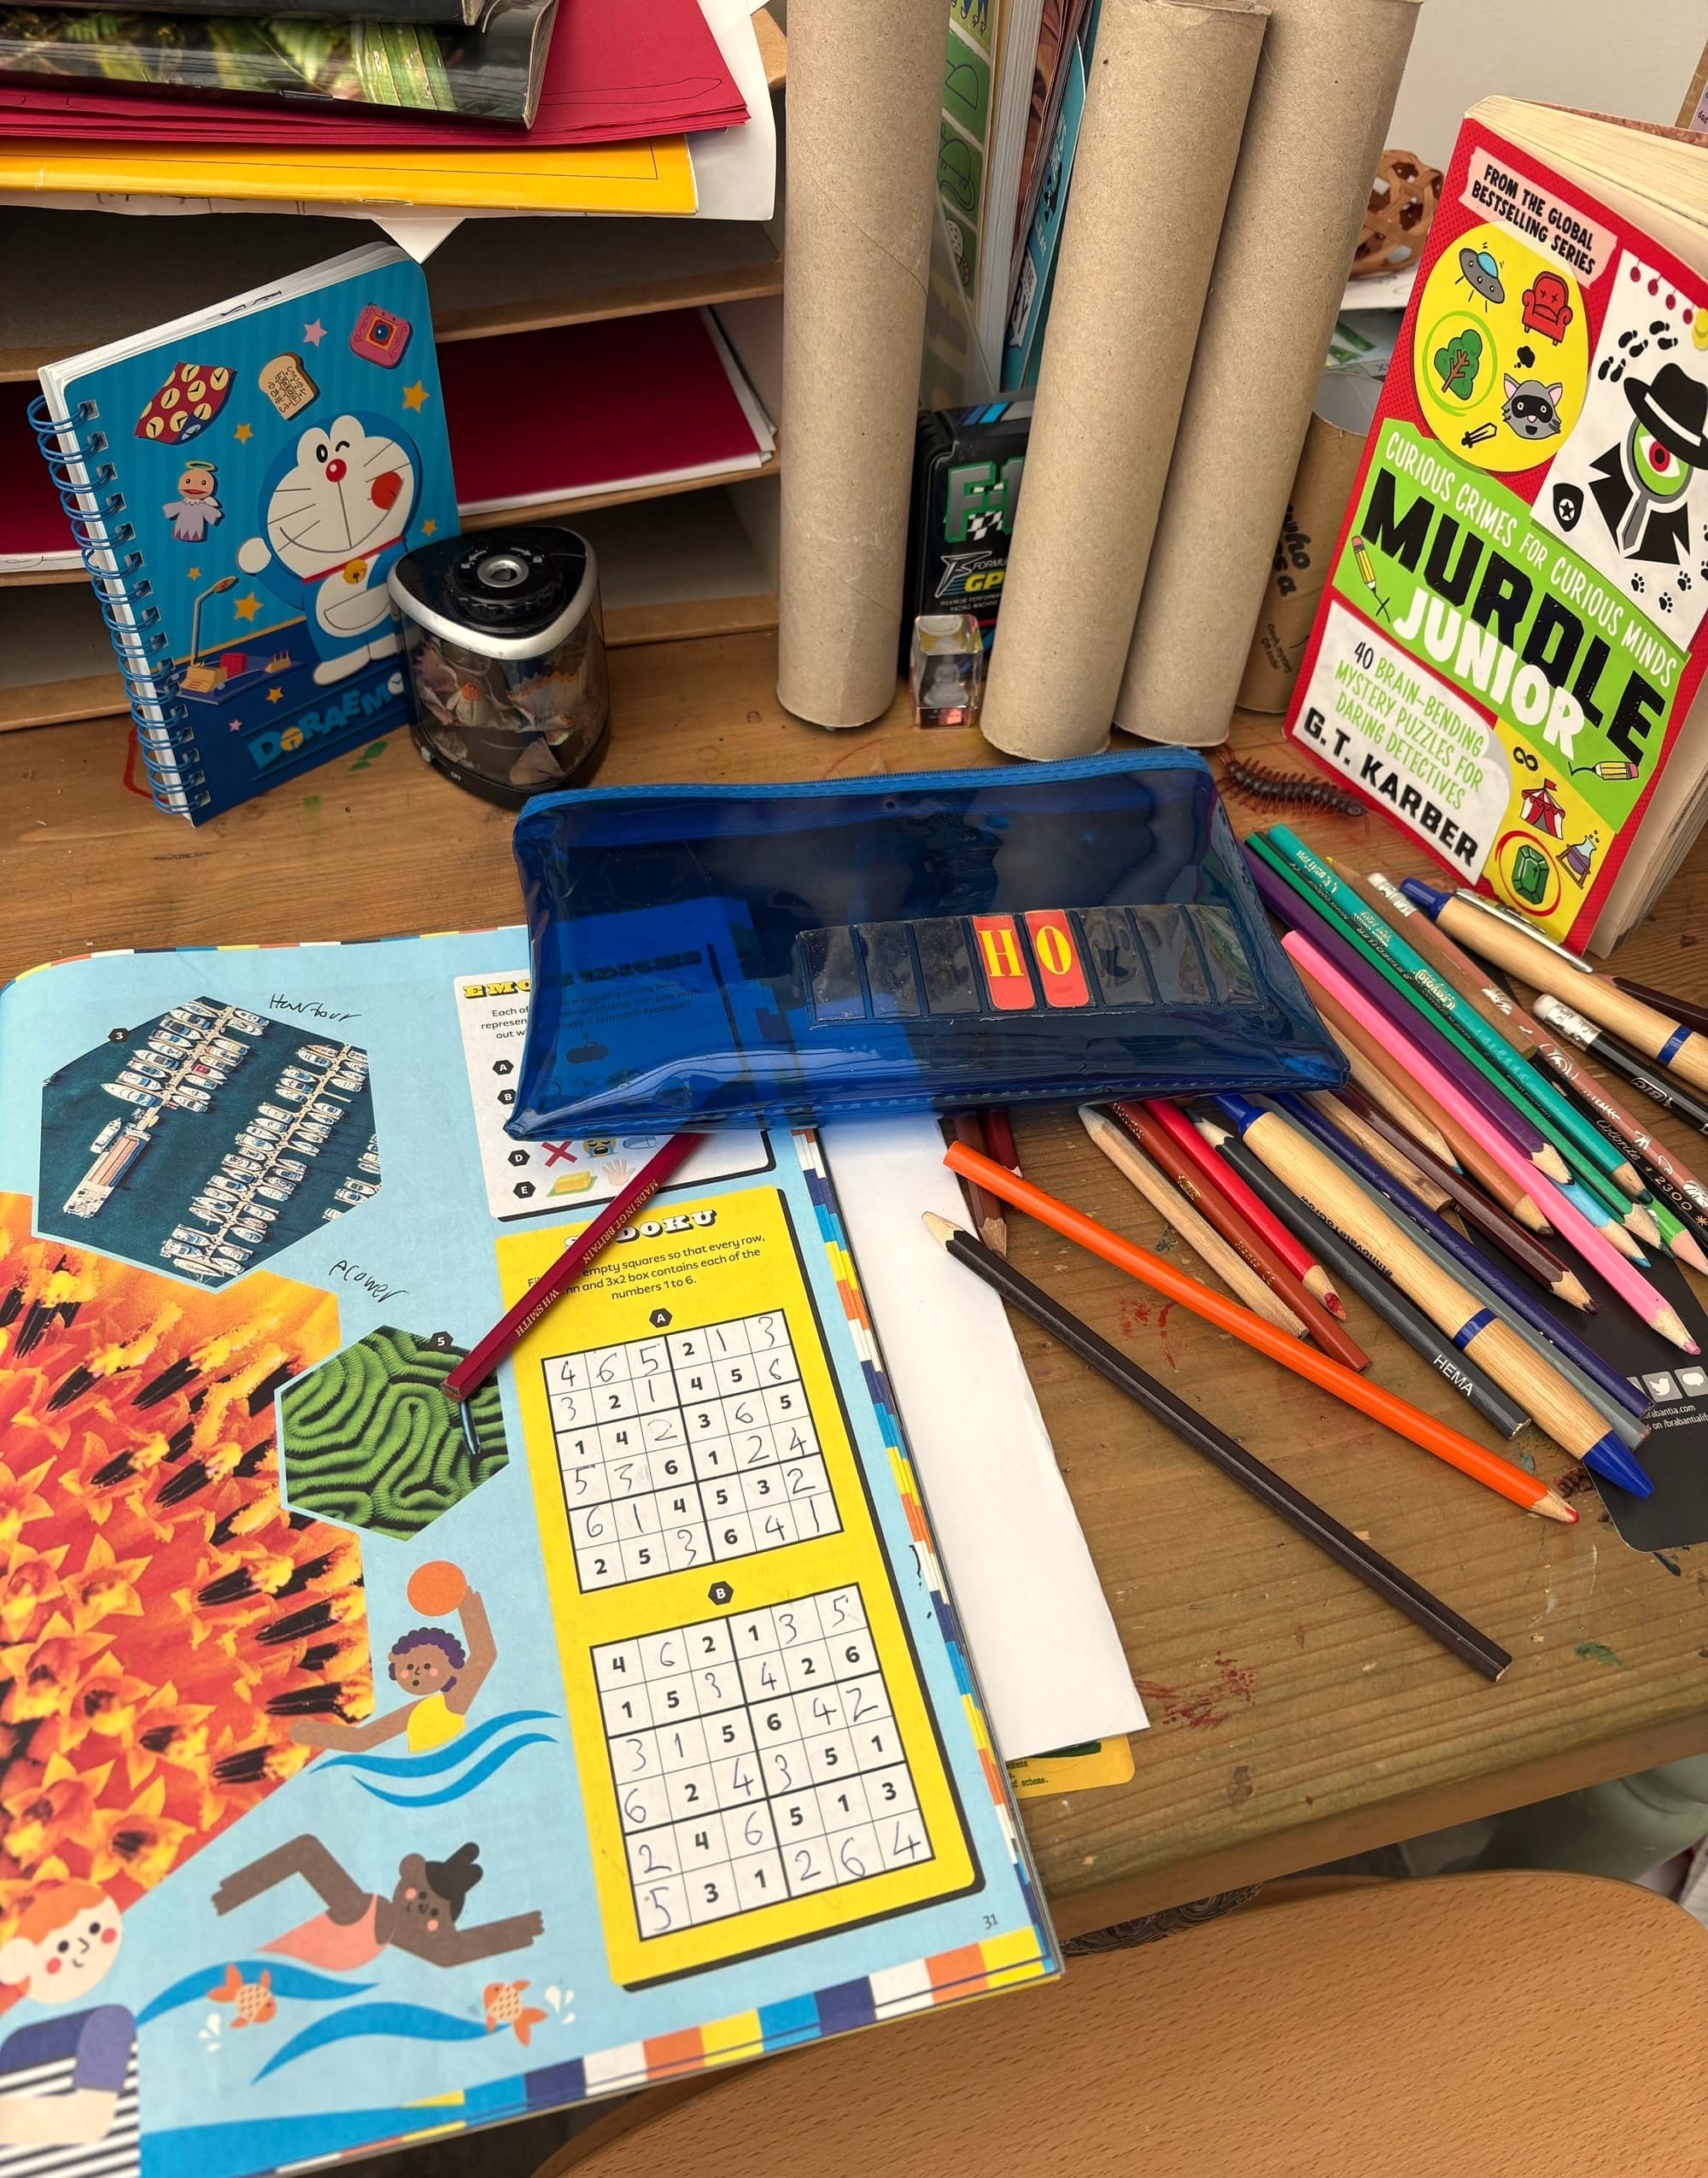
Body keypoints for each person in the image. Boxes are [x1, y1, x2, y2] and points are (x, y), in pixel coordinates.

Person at [212, 1836, 541, 1971]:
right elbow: (306, 1852)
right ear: (408, 1874)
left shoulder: (400, 1936)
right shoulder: (366, 1910)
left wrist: (526, 1929)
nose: (419, 1907)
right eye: (420, 1896)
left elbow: (449, 1952)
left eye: (432, 1914)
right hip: (258, 1963)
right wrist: (225, 1896)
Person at [0, 1883, 137, 2158]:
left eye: (95, 1930)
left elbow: (90, 2121)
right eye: (61, 1946)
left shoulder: (108, 2021)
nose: (84, 1946)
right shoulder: (19, 2033)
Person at [289, 1589, 494, 1757]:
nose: (417, 1673)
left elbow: (484, 1655)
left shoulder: (452, 1703)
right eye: (410, 1666)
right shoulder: (415, 1707)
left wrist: (466, 1598)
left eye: (429, 1667)